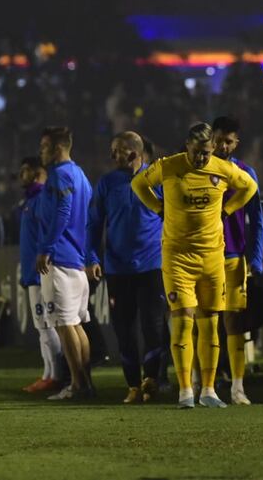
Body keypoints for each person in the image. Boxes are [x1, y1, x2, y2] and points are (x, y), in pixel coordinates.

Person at [131, 122, 258, 409]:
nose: (201, 158)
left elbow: (249, 186)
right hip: (177, 257)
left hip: (212, 258)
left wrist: (228, 209)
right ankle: (186, 389)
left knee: (210, 322)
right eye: (197, 152)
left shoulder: (221, 169)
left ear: (212, 149)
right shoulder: (169, 166)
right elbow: (138, 183)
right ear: (187, 145)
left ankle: (209, 390)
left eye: (206, 153)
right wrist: (158, 207)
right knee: (183, 318)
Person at [86, 131, 166, 403]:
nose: (112, 156)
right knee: (124, 329)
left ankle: (152, 380)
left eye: (117, 150)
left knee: (153, 326)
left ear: (133, 152)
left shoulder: (156, 179)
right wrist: (93, 258)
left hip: (152, 265)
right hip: (118, 269)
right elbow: (95, 224)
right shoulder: (107, 183)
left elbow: (171, 218)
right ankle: (133, 385)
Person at [35, 126, 94, 400]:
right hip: (77, 261)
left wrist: (46, 248)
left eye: (45, 146)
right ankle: (85, 382)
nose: (41, 151)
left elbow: (63, 209)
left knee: (64, 324)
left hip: (58, 259)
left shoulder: (59, 175)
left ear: (58, 148)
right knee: (76, 324)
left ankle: (79, 385)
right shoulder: (81, 174)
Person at [210, 116, 263, 405]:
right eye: (218, 139)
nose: (222, 145)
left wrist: (255, 259)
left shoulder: (244, 173)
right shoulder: (199, 170)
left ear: (236, 143)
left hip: (232, 257)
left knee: (234, 323)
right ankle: (202, 384)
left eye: (228, 141)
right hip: (203, 258)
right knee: (203, 322)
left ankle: (238, 387)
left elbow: (257, 220)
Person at [18, 156, 63, 393]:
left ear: (37, 173)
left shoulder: (42, 200)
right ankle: (48, 373)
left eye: (25, 170)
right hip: (30, 273)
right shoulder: (29, 201)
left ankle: (56, 375)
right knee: (42, 326)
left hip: (41, 273)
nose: (20, 174)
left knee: (48, 325)